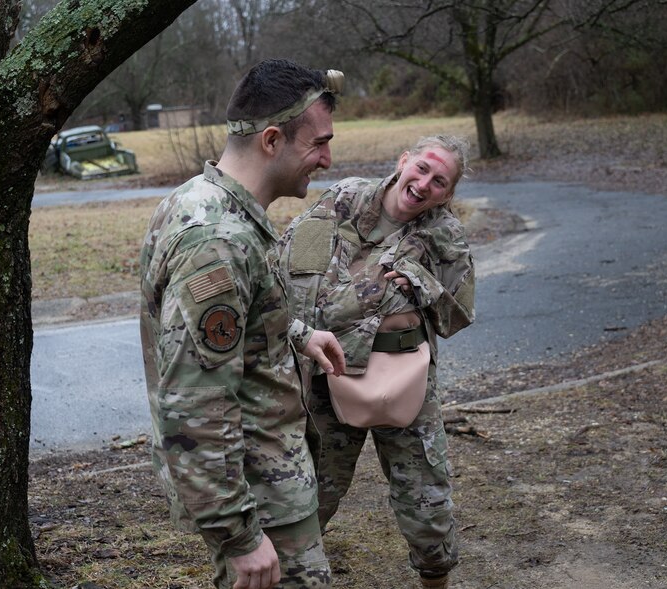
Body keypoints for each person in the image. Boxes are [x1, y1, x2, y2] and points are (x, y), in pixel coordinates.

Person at [139, 58, 347, 589]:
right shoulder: (217, 241)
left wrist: (298, 335)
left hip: (263, 482)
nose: (327, 158)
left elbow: (235, 325)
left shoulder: (207, 202)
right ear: (272, 140)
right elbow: (193, 405)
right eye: (318, 143)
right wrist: (239, 537)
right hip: (258, 496)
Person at [278, 135, 475, 589]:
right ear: (404, 160)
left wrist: (421, 283)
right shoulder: (345, 199)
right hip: (330, 371)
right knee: (310, 494)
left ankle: (435, 581)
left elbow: (459, 313)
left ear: (447, 193)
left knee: (427, 507)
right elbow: (287, 268)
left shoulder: (444, 234)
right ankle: (289, 575)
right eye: (422, 168)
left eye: (440, 181)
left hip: (404, 377)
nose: (424, 184)